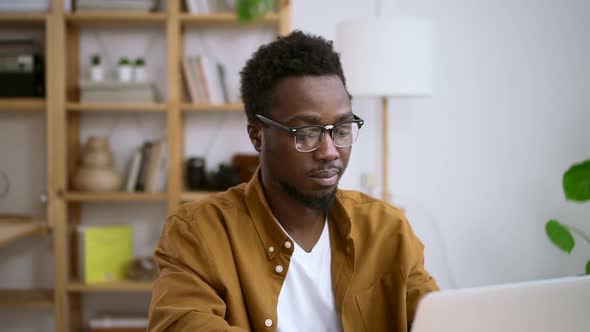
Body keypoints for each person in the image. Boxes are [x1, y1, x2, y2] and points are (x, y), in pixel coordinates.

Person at [148, 30, 439, 332]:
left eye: (341, 129)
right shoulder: (199, 232)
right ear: (257, 136)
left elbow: (439, 320)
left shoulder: (387, 229)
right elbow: (182, 325)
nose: (329, 152)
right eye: (307, 133)